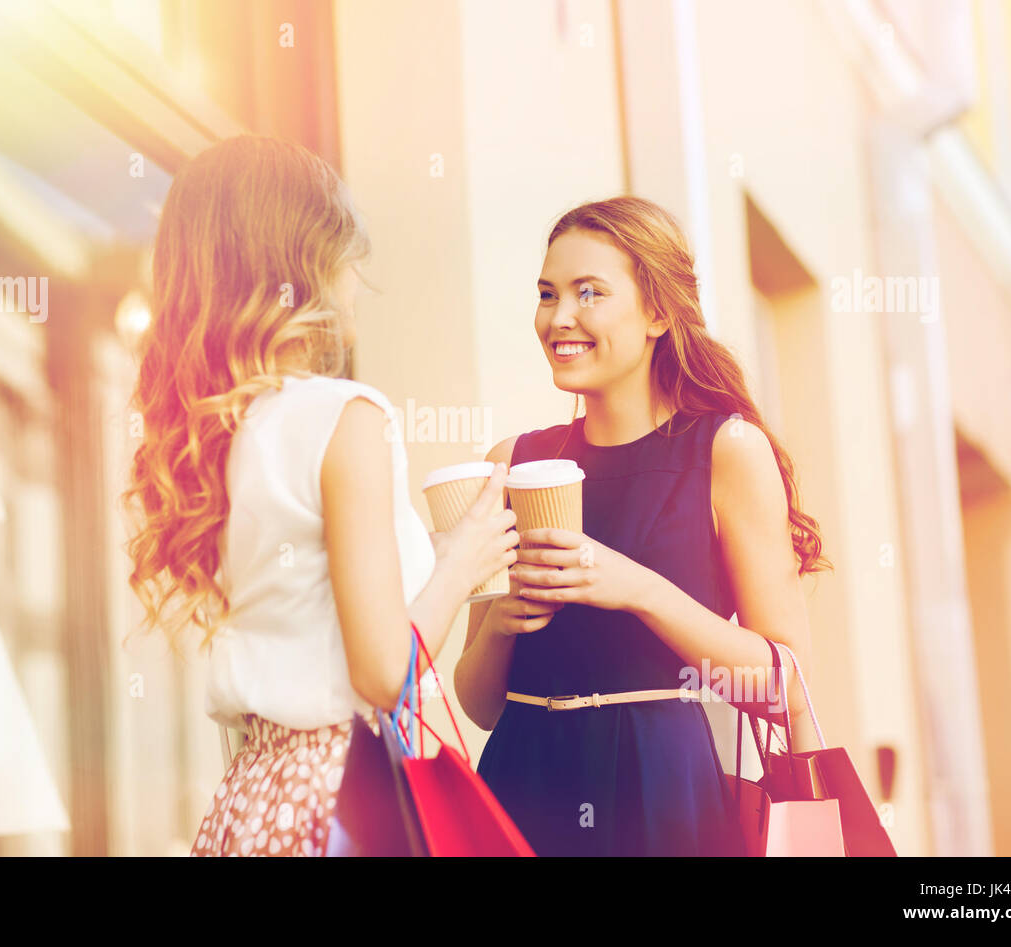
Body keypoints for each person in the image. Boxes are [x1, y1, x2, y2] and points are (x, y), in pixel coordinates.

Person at [123, 135, 517, 857]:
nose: (356, 284)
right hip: (345, 798)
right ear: (306, 267)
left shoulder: (222, 437)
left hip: (252, 800)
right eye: (348, 260)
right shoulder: (346, 416)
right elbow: (379, 671)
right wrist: (463, 563)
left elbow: (311, 608)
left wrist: (431, 555)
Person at [455, 196, 829, 856]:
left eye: (588, 292)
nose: (558, 318)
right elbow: (481, 704)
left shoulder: (725, 451)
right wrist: (505, 615)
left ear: (658, 311)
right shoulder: (512, 463)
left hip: (666, 801)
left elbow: (781, 685)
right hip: (520, 792)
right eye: (547, 294)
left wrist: (637, 588)